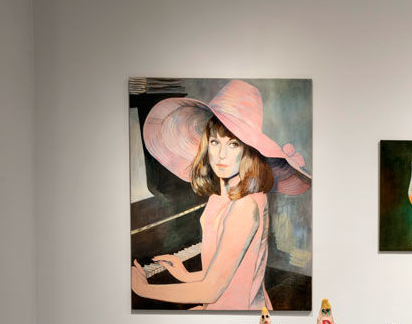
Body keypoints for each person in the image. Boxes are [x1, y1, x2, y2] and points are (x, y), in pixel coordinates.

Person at [131, 80, 310, 310]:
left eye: (233, 144)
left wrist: (143, 289)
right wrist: (185, 274)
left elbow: (212, 290)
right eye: (215, 142)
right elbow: (228, 273)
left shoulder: (245, 206)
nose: (221, 155)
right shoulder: (220, 198)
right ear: (206, 145)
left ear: (248, 149)